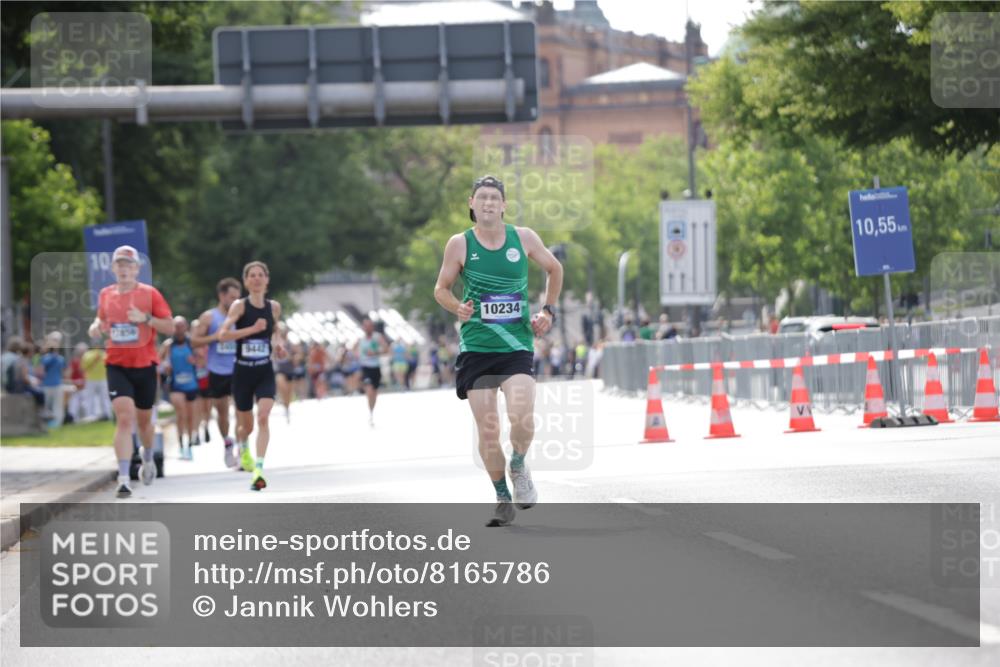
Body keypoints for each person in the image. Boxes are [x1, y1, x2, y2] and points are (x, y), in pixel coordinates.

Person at [433, 175, 563, 527]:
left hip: (516, 344)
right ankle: (502, 496)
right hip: (476, 348)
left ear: (504, 205)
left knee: (521, 414)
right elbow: (441, 289)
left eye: (495, 198)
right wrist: (457, 306)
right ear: (471, 204)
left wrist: (548, 310)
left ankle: (518, 464)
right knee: (488, 430)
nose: (488, 203)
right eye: (482, 198)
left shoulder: (524, 238)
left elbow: (554, 268)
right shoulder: (460, 244)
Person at [88, 245, 174, 499]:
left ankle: (147, 457)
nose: (124, 268)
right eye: (120, 264)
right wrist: (95, 327)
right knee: (124, 418)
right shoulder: (106, 294)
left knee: (145, 422)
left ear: (137, 268)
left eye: (129, 264)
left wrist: (145, 318)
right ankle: (124, 477)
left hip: (145, 365)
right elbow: (101, 320)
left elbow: (169, 326)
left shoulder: (150, 294)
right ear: (113, 268)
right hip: (116, 364)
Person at [217, 261, 286, 491]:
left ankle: (258, 468)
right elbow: (223, 335)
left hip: (264, 370)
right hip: (243, 372)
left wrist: (278, 344)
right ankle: (243, 444)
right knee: (245, 426)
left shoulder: (274, 307)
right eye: (252, 275)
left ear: (267, 280)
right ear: (246, 281)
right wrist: (251, 330)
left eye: (260, 275)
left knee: (264, 417)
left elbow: (274, 330)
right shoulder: (239, 306)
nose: (256, 279)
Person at [190, 277, 241, 468]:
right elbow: (194, 341)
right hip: (217, 370)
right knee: (222, 411)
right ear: (221, 296)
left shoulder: (241, 315)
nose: (235, 301)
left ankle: (243, 446)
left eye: (238, 297)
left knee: (242, 410)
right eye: (231, 297)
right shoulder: (209, 317)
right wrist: (215, 337)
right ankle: (228, 443)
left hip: (238, 368)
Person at [160, 316, 199, 460]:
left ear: (186, 327)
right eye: (176, 326)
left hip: (192, 384)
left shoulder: (192, 343)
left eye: (181, 326)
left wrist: (195, 360)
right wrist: (166, 366)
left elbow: (202, 360)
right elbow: (159, 363)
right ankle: (181, 445)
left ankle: (189, 444)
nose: (179, 329)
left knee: (190, 416)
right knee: (181, 415)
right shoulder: (168, 345)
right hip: (176, 385)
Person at [354, 317, 388, 426]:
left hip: (376, 367)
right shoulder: (360, 339)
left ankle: (372, 411)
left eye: (369, 326)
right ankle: (370, 412)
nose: (367, 328)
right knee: (369, 390)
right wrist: (357, 355)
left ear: (372, 327)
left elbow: (386, 349)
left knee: (374, 392)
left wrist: (376, 352)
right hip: (365, 367)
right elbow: (354, 350)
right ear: (363, 327)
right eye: (365, 326)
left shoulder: (377, 337)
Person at [80, 340, 111, 420]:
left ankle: (91, 415)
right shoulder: (105, 354)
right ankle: (106, 414)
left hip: (94, 379)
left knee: (91, 398)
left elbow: (83, 368)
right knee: (104, 398)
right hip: (99, 379)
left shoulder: (87, 354)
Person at [39, 340, 67, 427]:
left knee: (46, 405)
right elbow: (63, 372)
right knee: (57, 406)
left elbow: (42, 371)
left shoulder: (45, 358)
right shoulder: (60, 358)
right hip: (57, 384)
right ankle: (57, 423)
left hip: (46, 384)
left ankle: (46, 423)